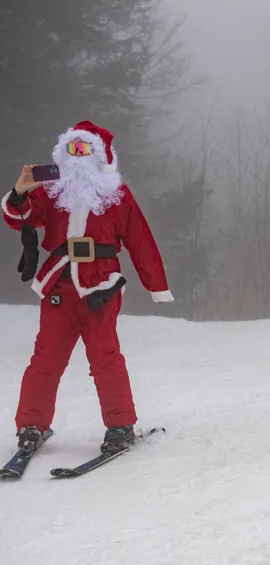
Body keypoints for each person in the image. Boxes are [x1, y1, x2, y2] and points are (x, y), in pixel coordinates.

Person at [2, 121, 173, 455]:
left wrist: (157, 286)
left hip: (100, 288)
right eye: (71, 149)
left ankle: (120, 425)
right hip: (58, 286)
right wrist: (21, 190)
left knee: (105, 358)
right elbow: (16, 217)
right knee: (45, 359)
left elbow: (140, 241)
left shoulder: (118, 195)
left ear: (101, 155)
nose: (77, 157)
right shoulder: (51, 192)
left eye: (84, 150)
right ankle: (31, 426)